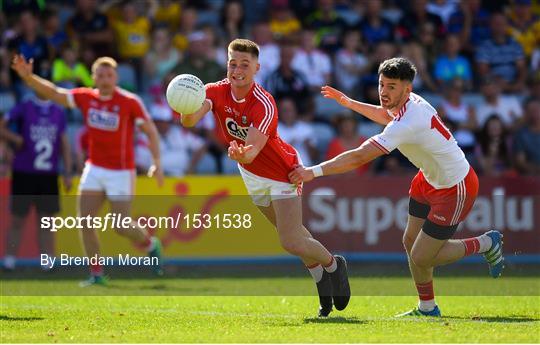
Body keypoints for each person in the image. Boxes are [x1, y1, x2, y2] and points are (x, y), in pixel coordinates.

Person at [289, 57, 504, 317]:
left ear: (407, 89)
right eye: (381, 84)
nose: (383, 91)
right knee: (410, 242)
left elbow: (359, 156)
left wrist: (313, 172)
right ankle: (427, 307)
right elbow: (385, 114)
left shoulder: (408, 122)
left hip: (454, 186)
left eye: (391, 87)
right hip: (428, 178)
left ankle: (484, 243)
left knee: (423, 256)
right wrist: (348, 103)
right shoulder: (408, 105)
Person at [179, 38, 350, 317]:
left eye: (244, 64)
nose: (237, 70)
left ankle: (334, 265)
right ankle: (321, 282)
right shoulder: (214, 91)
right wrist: (184, 101)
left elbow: (252, 151)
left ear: (257, 68)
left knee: (290, 241)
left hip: (281, 172)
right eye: (232, 63)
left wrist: (240, 155)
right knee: (296, 235)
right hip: (250, 174)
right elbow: (189, 120)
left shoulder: (264, 103)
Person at [11, 54, 165, 285]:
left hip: (121, 171)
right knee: (85, 222)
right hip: (94, 168)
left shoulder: (129, 101)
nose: (105, 79)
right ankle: (96, 273)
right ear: (93, 78)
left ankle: (150, 245)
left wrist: (157, 163)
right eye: (100, 75)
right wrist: (29, 77)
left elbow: (150, 131)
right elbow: (54, 93)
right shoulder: (86, 98)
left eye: (109, 75)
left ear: (116, 78)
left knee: (121, 226)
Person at [0, 95, 72, 271]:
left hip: (48, 174)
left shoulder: (58, 111)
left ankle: (47, 263)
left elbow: (64, 143)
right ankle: (9, 261)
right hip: (23, 172)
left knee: (46, 221)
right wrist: (15, 139)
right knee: (17, 219)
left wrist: (67, 171)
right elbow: (2, 125)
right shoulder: (24, 106)